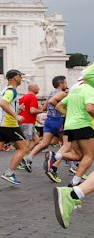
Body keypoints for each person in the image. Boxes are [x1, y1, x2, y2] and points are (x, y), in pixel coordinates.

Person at [52, 65, 94, 228]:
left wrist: (70, 115)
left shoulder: (75, 90)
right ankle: (74, 188)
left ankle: (58, 157)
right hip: (83, 126)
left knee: (81, 156)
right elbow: (90, 108)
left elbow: (57, 105)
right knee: (89, 156)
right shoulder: (88, 89)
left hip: (70, 126)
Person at [24, 76, 69, 182]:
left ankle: (29, 157)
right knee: (67, 145)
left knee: (44, 143)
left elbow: (44, 108)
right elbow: (53, 102)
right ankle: (55, 164)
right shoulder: (62, 94)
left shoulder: (51, 93)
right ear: (61, 84)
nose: (66, 84)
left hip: (49, 120)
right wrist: (63, 109)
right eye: (65, 83)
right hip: (58, 120)